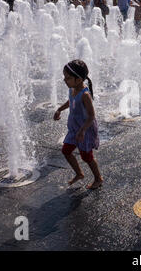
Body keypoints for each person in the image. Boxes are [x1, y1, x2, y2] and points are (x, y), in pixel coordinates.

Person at [54, 59, 103, 189]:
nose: (65, 80)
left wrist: (82, 130)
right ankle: (79, 173)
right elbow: (70, 101)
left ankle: (98, 178)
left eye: (68, 78)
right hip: (74, 128)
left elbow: (92, 116)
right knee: (66, 150)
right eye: (65, 77)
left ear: (79, 79)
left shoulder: (85, 94)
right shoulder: (72, 89)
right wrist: (60, 109)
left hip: (85, 130)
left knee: (86, 156)